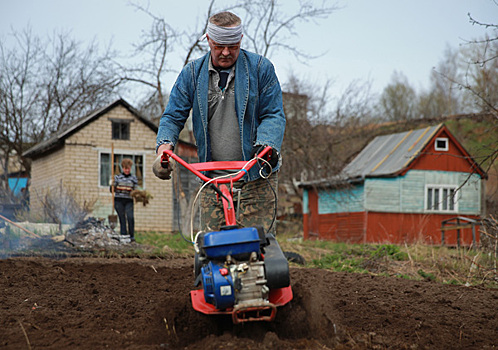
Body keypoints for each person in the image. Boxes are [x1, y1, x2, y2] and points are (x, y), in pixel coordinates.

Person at [153, 11, 285, 234]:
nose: (226, 52)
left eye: (232, 46)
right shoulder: (192, 74)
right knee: (212, 248)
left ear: (240, 40)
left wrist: (267, 145)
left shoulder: (261, 69)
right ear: (208, 40)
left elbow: (273, 114)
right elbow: (173, 117)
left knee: (257, 246)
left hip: (255, 176)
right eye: (219, 46)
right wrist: (164, 149)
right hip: (211, 179)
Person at [113, 158, 138, 241]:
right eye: (125, 168)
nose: (127, 170)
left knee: (130, 217)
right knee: (122, 218)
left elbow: (135, 190)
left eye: (128, 168)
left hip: (128, 200)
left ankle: (131, 236)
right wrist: (112, 185)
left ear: (130, 168)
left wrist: (137, 194)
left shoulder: (133, 179)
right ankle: (123, 236)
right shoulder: (117, 178)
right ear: (122, 168)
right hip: (118, 200)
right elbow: (112, 190)